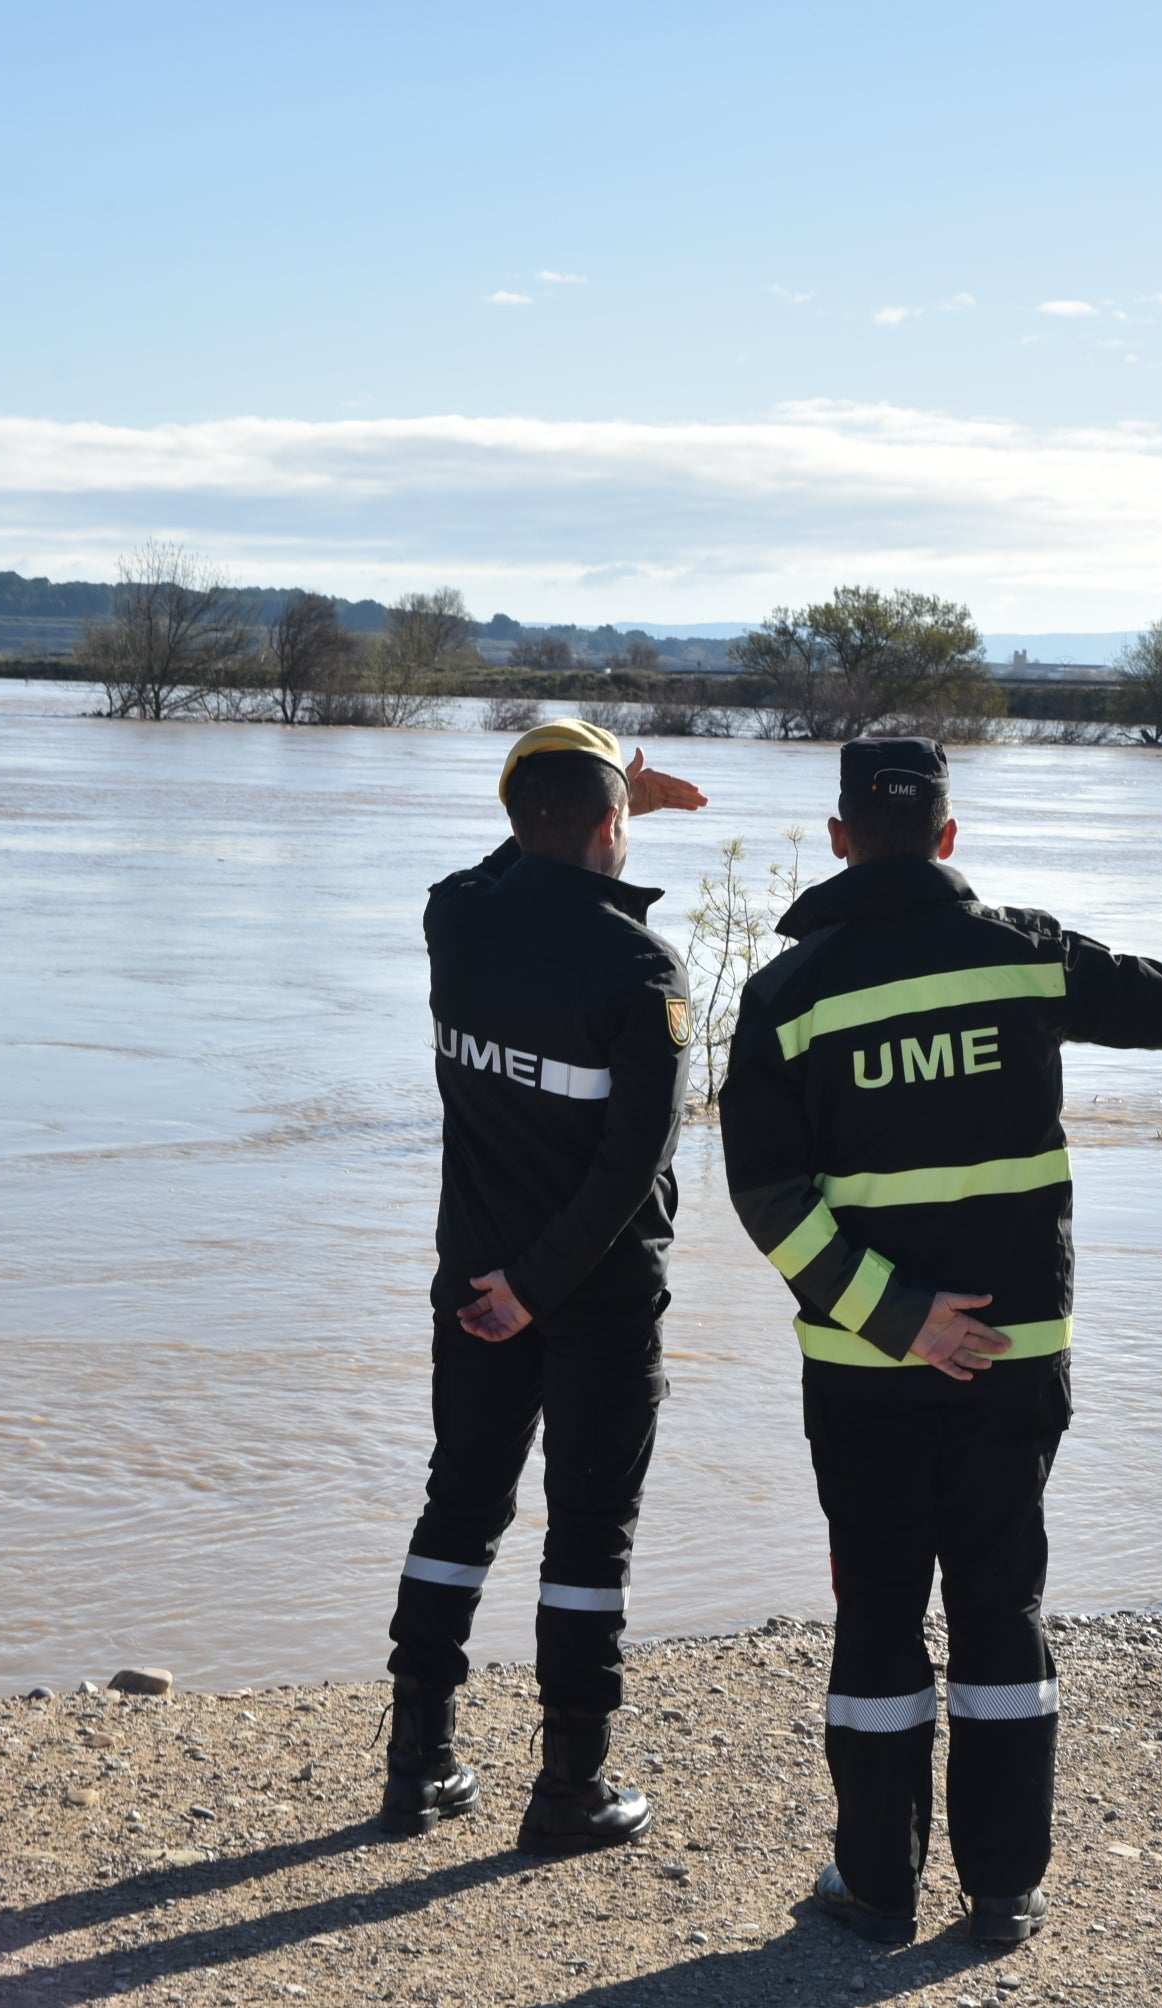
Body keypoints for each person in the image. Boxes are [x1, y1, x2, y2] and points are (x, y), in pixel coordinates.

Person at [717, 737, 1162, 1943]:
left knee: (877, 1607)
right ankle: (1004, 1885)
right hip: (1014, 1355)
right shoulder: (1023, 954)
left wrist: (897, 1318)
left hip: (862, 1364)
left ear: (838, 838)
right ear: (947, 836)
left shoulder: (787, 994)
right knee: (999, 1601)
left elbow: (765, 1193)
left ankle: (875, 1887)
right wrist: (1033, 948)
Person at [381, 719, 707, 1854]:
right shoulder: (639, 966)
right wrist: (535, 1288)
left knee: (459, 1504)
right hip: (594, 1291)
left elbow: (499, 860)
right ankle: (568, 1786)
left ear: (520, 821)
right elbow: (635, 1162)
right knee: (588, 1535)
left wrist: (593, 796)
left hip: (470, 1279)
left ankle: (415, 1761)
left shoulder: (454, 917)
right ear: (615, 824)